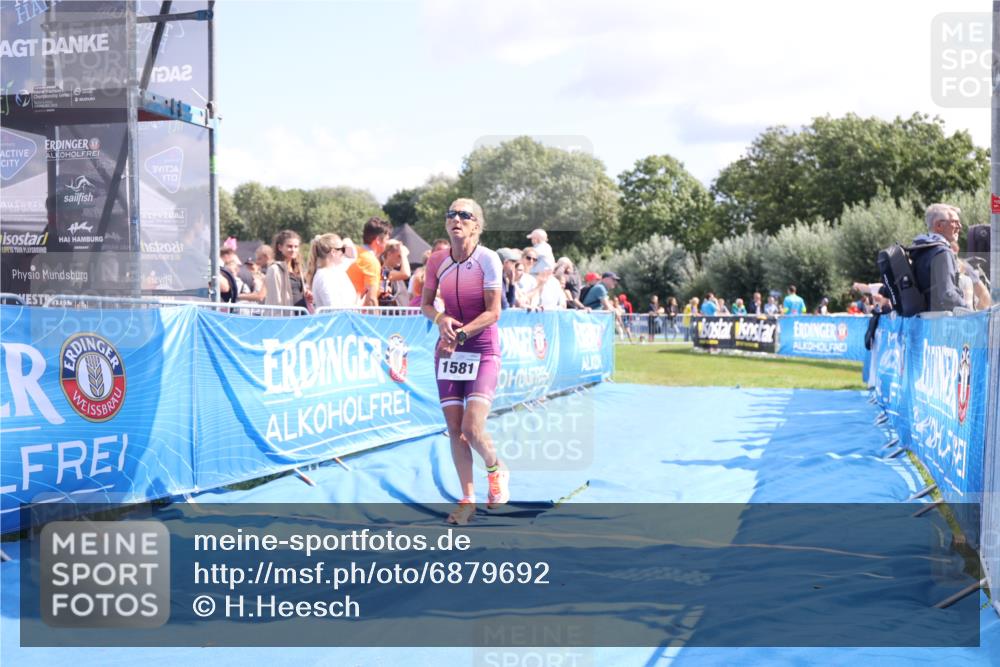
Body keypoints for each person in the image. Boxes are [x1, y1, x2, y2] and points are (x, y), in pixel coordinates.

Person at [421, 198, 508, 525]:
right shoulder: (437, 261)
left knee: (472, 429)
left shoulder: (488, 260)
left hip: (482, 348)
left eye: (464, 215)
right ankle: (467, 499)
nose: (456, 218)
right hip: (448, 350)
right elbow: (426, 306)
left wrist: (460, 334)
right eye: (451, 214)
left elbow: (493, 312)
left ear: (476, 225)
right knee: (454, 429)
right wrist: (441, 318)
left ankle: (495, 468)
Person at [347, 216, 392, 307]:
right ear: (378, 240)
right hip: (357, 315)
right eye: (387, 239)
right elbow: (371, 299)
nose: (388, 243)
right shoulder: (371, 262)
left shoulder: (354, 252)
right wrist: (376, 320)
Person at [308, 233, 359, 309]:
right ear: (333, 252)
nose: (344, 252)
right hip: (336, 320)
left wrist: (345, 242)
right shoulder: (324, 276)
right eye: (342, 249)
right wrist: (358, 305)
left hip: (344, 319)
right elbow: (332, 307)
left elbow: (353, 256)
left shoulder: (337, 270)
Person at [264, 230, 309, 313]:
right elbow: (275, 298)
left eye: (296, 246)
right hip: (286, 317)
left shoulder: (298, 268)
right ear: (280, 247)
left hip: (301, 315)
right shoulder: (274, 269)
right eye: (289, 246)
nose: (293, 250)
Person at [378, 239, 412, 307]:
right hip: (391, 316)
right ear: (389, 254)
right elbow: (406, 274)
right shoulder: (384, 272)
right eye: (399, 256)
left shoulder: (394, 273)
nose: (401, 259)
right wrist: (403, 253)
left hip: (400, 316)